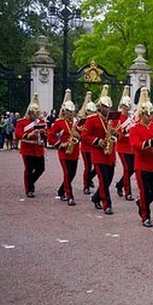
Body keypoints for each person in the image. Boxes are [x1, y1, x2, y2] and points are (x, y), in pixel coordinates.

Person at [82, 85, 118, 215]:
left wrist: (115, 133)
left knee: (108, 180)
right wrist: (98, 141)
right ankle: (107, 204)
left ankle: (96, 197)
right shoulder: (92, 119)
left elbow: (116, 133)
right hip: (98, 154)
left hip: (110, 153)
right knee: (103, 179)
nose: (107, 109)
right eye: (105, 107)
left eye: (109, 107)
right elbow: (84, 136)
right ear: (100, 106)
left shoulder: (112, 119)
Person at [130, 88, 153, 228]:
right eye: (147, 115)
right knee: (144, 191)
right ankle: (145, 216)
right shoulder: (135, 128)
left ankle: (141, 203)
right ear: (141, 115)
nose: (150, 117)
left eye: (151, 114)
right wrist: (150, 142)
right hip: (141, 164)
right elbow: (135, 145)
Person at [47, 89, 80, 206]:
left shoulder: (76, 123)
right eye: (69, 112)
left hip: (74, 151)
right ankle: (69, 196)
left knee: (72, 174)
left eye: (72, 112)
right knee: (67, 173)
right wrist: (60, 144)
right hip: (64, 152)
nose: (71, 114)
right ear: (64, 111)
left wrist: (78, 135)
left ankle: (61, 190)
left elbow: (83, 134)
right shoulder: (58, 123)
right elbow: (50, 137)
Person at [14, 93, 47, 197]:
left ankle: (30, 182)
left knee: (40, 169)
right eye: (36, 113)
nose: (38, 115)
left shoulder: (41, 121)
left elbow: (48, 132)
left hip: (39, 148)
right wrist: (29, 135)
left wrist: (44, 133)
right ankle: (29, 189)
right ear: (31, 113)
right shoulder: (22, 122)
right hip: (27, 149)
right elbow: (18, 134)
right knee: (29, 169)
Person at [114, 86, 136, 201]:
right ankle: (128, 192)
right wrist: (124, 132)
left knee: (132, 169)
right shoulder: (117, 118)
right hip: (122, 147)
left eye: (128, 106)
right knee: (127, 168)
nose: (126, 108)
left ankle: (120, 184)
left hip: (131, 146)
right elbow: (116, 133)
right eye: (125, 106)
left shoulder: (131, 118)